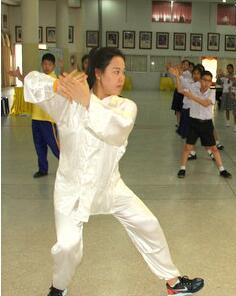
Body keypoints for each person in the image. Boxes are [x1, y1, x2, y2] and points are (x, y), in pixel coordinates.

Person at [23, 47, 204, 296]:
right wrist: (56, 87)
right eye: (116, 71)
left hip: (110, 185)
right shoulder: (67, 103)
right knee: (68, 246)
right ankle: (58, 288)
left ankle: (173, 282)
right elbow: (31, 82)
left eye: (123, 72)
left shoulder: (124, 106)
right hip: (71, 190)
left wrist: (86, 100)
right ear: (98, 73)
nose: (121, 78)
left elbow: (115, 130)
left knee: (148, 223)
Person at [170, 67, 232, 179]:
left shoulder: (211, 92)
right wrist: (177, 77)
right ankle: (182, 169)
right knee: (188, 147)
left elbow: (205, 103)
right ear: (200, 80)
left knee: (213, 148)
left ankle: (222, 170)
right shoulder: (193, 87)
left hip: (206, 124)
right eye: (204, 79)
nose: (206, 83)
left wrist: (192, 97)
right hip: (194, 122)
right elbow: (180, 90)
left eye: (209, 80)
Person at [9, 53, 60, 178]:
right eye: (44, 64)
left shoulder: (54, 80)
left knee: (56, 147)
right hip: (36, 118)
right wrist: (19, 76)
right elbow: (30, 84)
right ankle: (43, 169)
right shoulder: (40, 77)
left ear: (54, 66)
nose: (46, 67)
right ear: (42, 65)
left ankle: (70, 169)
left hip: (48, 120)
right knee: (39, 145)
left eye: (49, 64)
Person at [170, 59, 191, 127]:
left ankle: (183, 123)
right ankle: (178, 123)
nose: (185, 66)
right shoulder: (178, 72)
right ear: (182, 65)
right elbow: (173, 76)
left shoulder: (188, 73)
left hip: (184, 92)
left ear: (188, 66)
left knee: (183, 108)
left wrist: (177, 72)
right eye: (184, 64)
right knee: (177, 109)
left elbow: (181, 76)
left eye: (187, 65)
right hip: (177, 91)